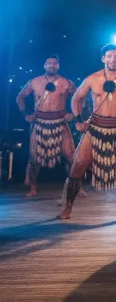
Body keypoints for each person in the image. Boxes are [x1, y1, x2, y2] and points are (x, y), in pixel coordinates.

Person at [58, 44, 116, 219]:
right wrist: (78, 121)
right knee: (77, 166)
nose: (113, 59)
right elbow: (77, 98)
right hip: (95, 128)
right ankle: (67, 208)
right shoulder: (93, 78)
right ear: (103, 59)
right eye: (109, 56)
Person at [17, 56, 76, 197]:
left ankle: (76, 187)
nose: (52, 66)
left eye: (55, 63)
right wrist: (26, 114)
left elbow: (80, 98)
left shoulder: (66, 83)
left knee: (70, 156)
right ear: (44, 65)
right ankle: (32, 188)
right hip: (40, 122)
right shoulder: (34, 82)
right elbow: (20, 97)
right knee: (34, 158)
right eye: (49, 63)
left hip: (60, 122)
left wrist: (73, 114)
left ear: (58, 66)